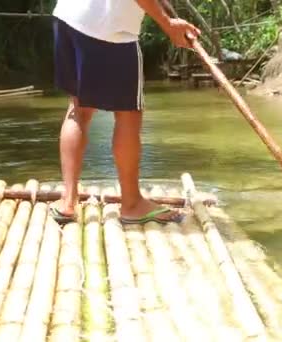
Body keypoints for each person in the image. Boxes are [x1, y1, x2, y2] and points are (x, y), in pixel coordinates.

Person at [49, 0, 200, 224]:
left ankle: (67, 202)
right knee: (129, 113)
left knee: (78, 109)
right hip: (110, 29)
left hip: (70, 17)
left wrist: (171, 17)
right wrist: (167, 24)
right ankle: (131, 204)